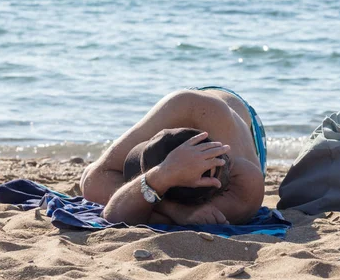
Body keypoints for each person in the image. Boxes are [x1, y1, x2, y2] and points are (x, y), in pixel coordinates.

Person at [80, 87, 267, 226]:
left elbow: (119, 211)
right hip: (188, 110)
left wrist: (151, 200)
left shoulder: (241, 173)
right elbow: (92, 180)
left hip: (230, 111)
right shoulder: (171, 119)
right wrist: (173, 204)